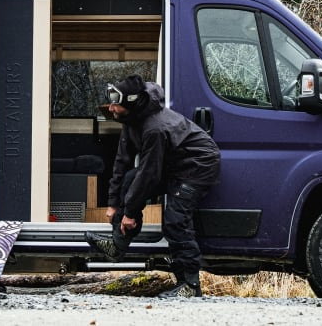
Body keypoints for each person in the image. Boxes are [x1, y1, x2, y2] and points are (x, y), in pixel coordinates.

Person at [85, 75, 220, 298]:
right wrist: (113, 205)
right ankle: (117, 246)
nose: (111, 108)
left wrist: (129, 212)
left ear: (130, 103)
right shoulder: (132, 120)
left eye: (115, 104)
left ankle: (189, 286)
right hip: (174, 163)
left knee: (175, 221)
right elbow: (122, 162)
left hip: (197, 166)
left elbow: (149, 175)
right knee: (129, 179)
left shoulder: (154, 128)